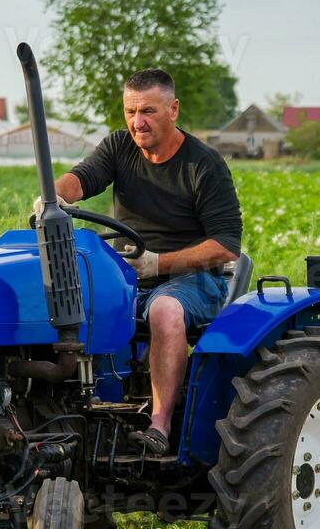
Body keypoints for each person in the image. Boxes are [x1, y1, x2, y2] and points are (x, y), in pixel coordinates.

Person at [36, 67, 242, 454]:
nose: (137, 122)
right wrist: (53, 197)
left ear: (173, 109)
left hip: (195, 279)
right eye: (130, 111)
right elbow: (82, 178)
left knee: (164, 310)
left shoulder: (204, 165)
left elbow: (227, 244)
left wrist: (159, 263)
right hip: (129, 274)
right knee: (63, 302)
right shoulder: (119, 147)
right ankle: (81, 413)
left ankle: (160, 427)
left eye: (147, 111)